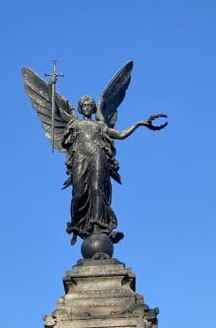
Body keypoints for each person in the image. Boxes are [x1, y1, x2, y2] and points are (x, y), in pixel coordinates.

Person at [61, 97, 164, 245]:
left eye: (90, 105)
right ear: (80, 108)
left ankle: (100, 226)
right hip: (81, 157)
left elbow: (121, 135)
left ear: (94, 108)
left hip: (97, 155)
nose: (87, 107)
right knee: (78, 193)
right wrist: (51, 90)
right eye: (84, 105)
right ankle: (76, 225)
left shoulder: (100, 126)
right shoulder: (75, 124)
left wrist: (139, 124)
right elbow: (62, 127)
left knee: (97, 189)